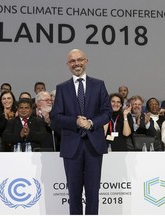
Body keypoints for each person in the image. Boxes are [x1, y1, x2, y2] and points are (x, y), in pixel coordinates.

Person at [51, 48, 112, 215]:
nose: (76, 63)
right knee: (74, 195)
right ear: (67, 65)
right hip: (72, 148)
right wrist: (75, 122)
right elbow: (56, 117)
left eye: (79, 60)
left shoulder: (98, 85)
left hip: (94, 147)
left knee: (93, 194)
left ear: (86, 61)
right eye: (72, 61)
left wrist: (91, 123)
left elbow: (107, 112)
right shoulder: (62, 88)